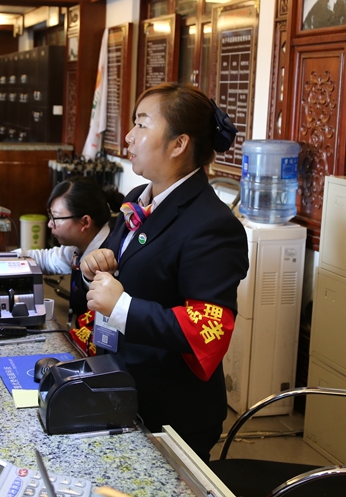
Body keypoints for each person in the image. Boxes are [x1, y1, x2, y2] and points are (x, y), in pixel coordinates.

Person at [79, 82, 249, 462]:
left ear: (178, 144)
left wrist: (121, 306)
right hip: (119, 383)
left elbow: (208, 327)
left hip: (168, 409)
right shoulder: (138, 200)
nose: (129, 136)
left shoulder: (212, 225)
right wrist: (96, 264)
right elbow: (127, 266)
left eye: (142, 124)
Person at [17, 176, 122, 319]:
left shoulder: (110, 258)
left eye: (55, 218)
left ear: (85, 222)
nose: (50, 224)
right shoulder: (77, 249)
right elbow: (45, 259)